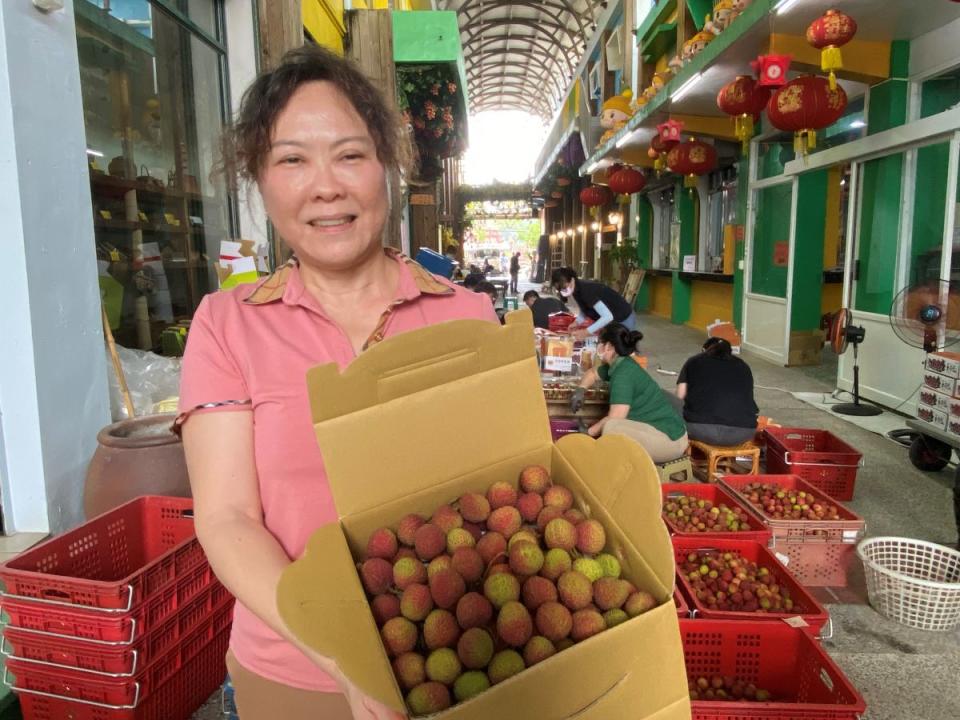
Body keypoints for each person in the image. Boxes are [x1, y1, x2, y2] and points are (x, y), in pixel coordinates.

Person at [177, 45, 497, 720]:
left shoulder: (467, 315)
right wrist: (343, 653)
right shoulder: (227, 324)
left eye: (349, 154)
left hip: (454, 668)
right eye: (292, 159)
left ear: (386, 166)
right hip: (290, 673)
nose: (325, 185)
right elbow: (228, 518)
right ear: (260, 181)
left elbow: (494, 494)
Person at [571, 323, 687, 463]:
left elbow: (616, 417)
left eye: (600, 343)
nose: (598, 347)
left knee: (611, 428)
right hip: (656, 430)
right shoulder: (621, 364)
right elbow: (593, 373)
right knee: (608, 427)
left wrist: (588, 433)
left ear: (609, 346)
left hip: (669, 440)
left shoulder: (623, 375)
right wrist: (581, 390)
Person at [676, 337, 758, 446]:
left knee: (668, 400)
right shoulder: (743, 366)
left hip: (701, 430)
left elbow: (680, 396)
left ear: (704, 350)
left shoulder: (694, 361)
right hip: (743, 433)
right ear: (730, 352)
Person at [551, 267, 637, 340]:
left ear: (572, 279)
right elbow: (585, 309)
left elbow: (607, 317)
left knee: (623, 349)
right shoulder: (576, 289)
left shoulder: (586, 290)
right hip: (612, 321)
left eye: (565, 287)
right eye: (560, 289)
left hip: (623, 318)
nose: (563, 291)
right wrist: (577, 322)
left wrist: (586, 332)